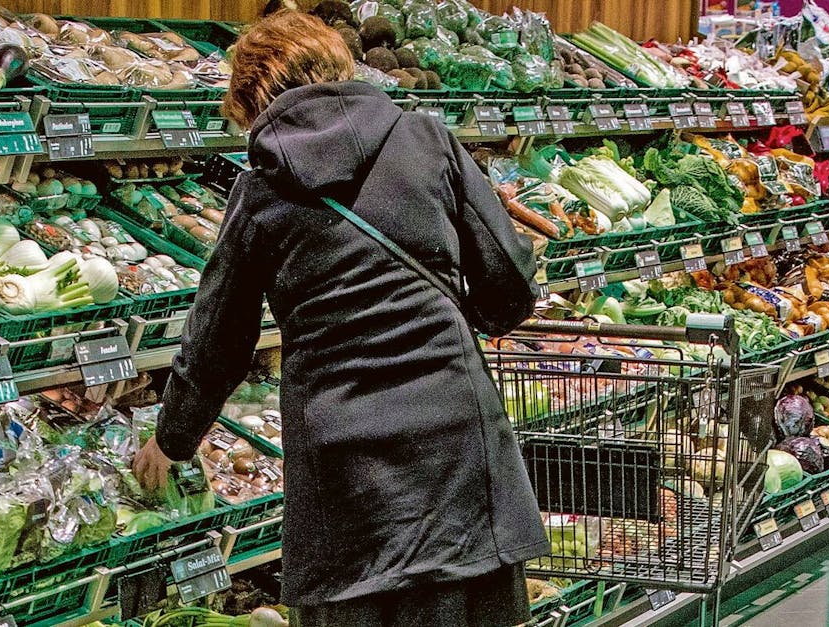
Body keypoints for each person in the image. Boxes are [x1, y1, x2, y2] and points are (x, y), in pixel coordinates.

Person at [128, 10, 550, 627]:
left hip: (344, 474)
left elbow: (219, 335)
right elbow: (509, 287)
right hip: (457, 451)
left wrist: (173, 440)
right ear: (340, 66)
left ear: (251, 101)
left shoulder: (262, 192)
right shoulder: (427, 139)